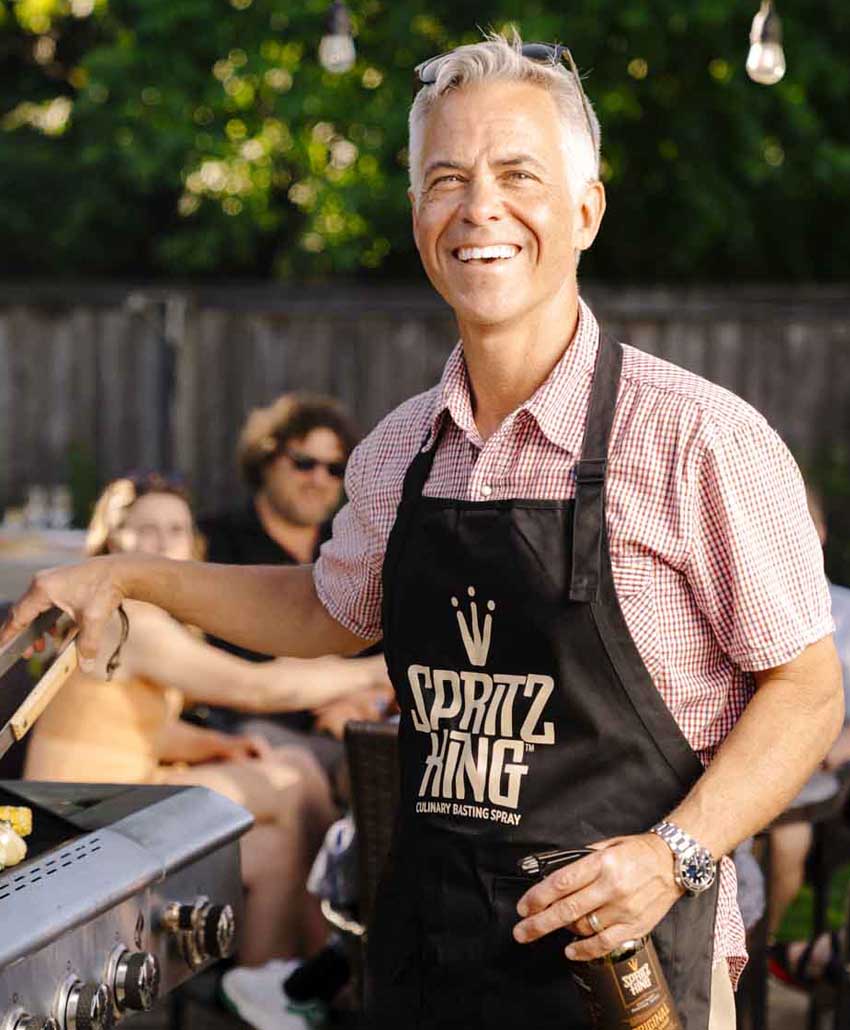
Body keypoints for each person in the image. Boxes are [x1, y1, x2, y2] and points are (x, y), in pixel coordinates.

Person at [2, 32, 843, 1030]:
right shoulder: (401, 447)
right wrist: (130, 574)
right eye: (446, 178)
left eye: (516, 173)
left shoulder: (700, 438)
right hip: (428, 954)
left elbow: (807, 686)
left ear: (586, 208)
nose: (478, 206)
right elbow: (325, 607)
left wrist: (675, 854)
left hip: (625, 975)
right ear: (417, 220)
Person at [22, 474, 380, 964]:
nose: (161, 544)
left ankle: (271, 983)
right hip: (79, 816)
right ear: (111, 542)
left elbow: (132, 728)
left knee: (276, 849)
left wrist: (214, 747)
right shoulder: (132, 621)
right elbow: (258, 688)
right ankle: (329, 964)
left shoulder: (144, 621)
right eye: (145, 530)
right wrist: (384, 669)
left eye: (176, 530)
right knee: (291, 777)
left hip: (112, 799)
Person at [198, 393, 392, 772]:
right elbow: (238, 668)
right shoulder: (215, 542)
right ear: (266, 461)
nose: (319, 479)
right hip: (250, 730)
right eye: (304, 463)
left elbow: (388, 655)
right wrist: (352, 684)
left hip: (352, 726)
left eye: (334, 468)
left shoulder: (353, 546)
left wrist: (369, 701)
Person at [767, 485, 850, 987]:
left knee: (787, 845)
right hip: (757, 761)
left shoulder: (846, 610)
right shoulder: (758, 601)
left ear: (819, 534)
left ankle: (766, 950)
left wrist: (839, 748)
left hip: (819, 770)